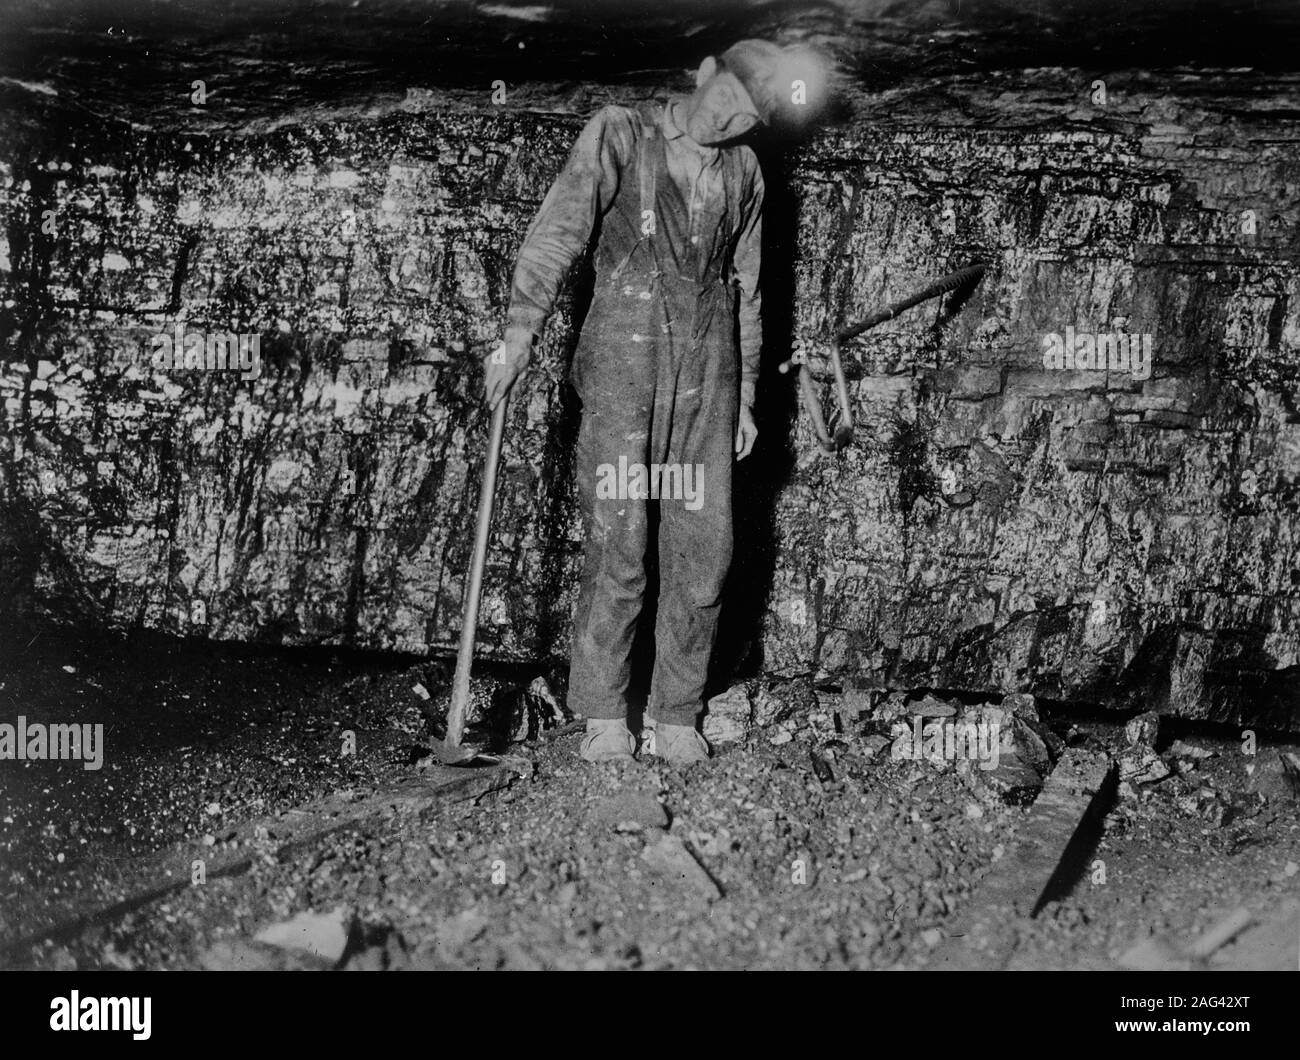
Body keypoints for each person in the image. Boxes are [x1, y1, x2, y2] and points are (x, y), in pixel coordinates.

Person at [484, 40, 825, 764]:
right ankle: (605, 712)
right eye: (728, 99)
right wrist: (517, 335)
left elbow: (748, 291)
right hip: (625, 358)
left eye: (748, 118)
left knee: (705, 548)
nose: (732, 121)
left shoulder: (747, 174)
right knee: (621, 540)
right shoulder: (620, 132)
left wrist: (745, 398)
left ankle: (677, 712)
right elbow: (558, 233)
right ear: (705, 73)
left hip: (711, 367)